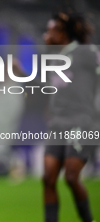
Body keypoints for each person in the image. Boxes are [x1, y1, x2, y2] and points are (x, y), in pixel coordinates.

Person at [41, 11, 97, 222]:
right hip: (57, 124)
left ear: (63, 32)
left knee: (71, 177)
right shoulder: (55, 59)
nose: (46, 35)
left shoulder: (84, 53)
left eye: (50, 31)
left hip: (81, 122)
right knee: (48, 178)